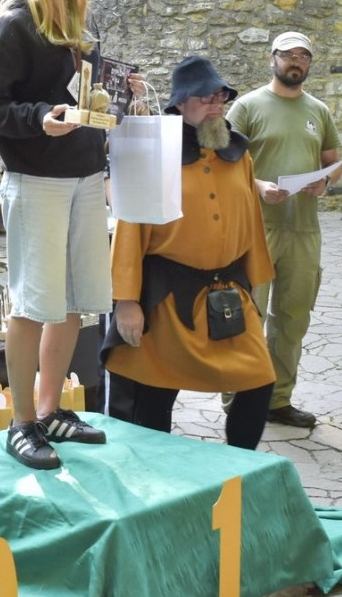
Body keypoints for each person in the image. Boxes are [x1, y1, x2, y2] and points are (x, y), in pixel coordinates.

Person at [0, 0, 114, 470]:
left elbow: (82, 101)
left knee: (74, 304)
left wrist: (111, 101)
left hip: (85, 175)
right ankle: (22, 422)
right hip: (37, 181)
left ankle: (53, 409)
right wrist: (40, 118)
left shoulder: (80, 24)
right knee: (33, 305)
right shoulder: (14, 24)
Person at [104, 56, 277, 449]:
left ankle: (240, 465)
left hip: (229, 290)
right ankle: (158, 478)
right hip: (168, 294)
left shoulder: (238, 153)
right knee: (155, 394)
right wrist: (126, 301)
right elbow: (130, 228)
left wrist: (254, 281)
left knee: (259, 377)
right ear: (181, 104)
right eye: (206, 98)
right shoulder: (155, 152)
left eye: (220, 98)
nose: (216, 105)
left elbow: (250, 217)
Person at [224, 31, 342, 429]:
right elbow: (224, 162)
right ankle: (237, 399)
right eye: (289, 55)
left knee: (293, 317)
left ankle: (278, 399)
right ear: (272, 58)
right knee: (247, 316)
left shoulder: (319, 111)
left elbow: (334, 162)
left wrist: (324, 182)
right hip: (255, 227)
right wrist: (257, 186)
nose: (296, 62)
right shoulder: (246, 107)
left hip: (303, 230)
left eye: (304, 57)